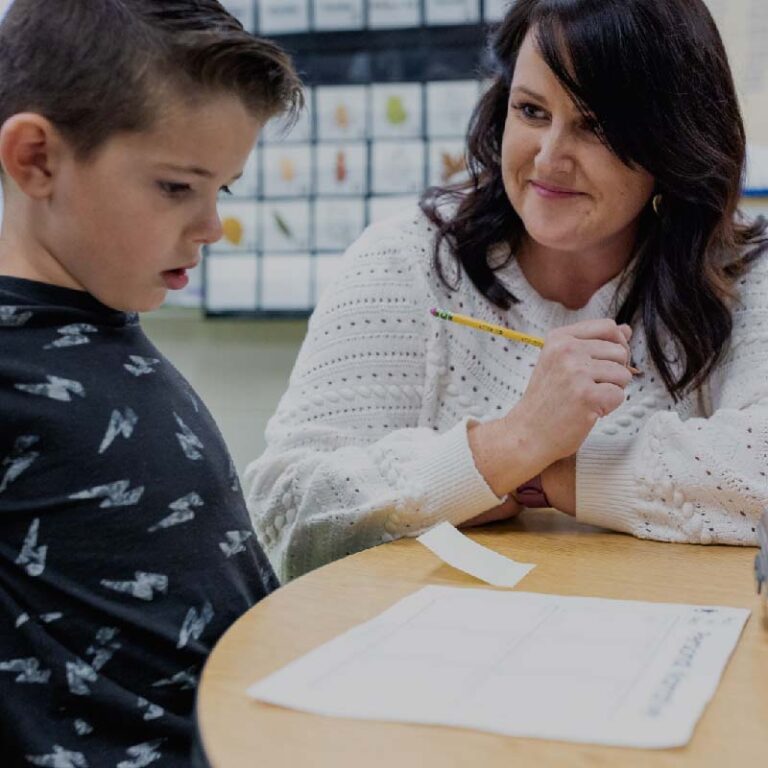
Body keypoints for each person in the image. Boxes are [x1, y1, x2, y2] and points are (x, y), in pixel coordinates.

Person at [247, 0, 768, 583]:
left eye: (596, 126)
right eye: (531, 110)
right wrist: (511, 442)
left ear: (671, 141)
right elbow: (287, 510)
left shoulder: (745, 271)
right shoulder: (406, 261)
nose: (548, 158)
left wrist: (549, 472)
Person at [0, 1, 301, 764]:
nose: (212, 227)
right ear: (36, 159)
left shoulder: (104, 324)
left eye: (222, 191)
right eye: (176, 187)